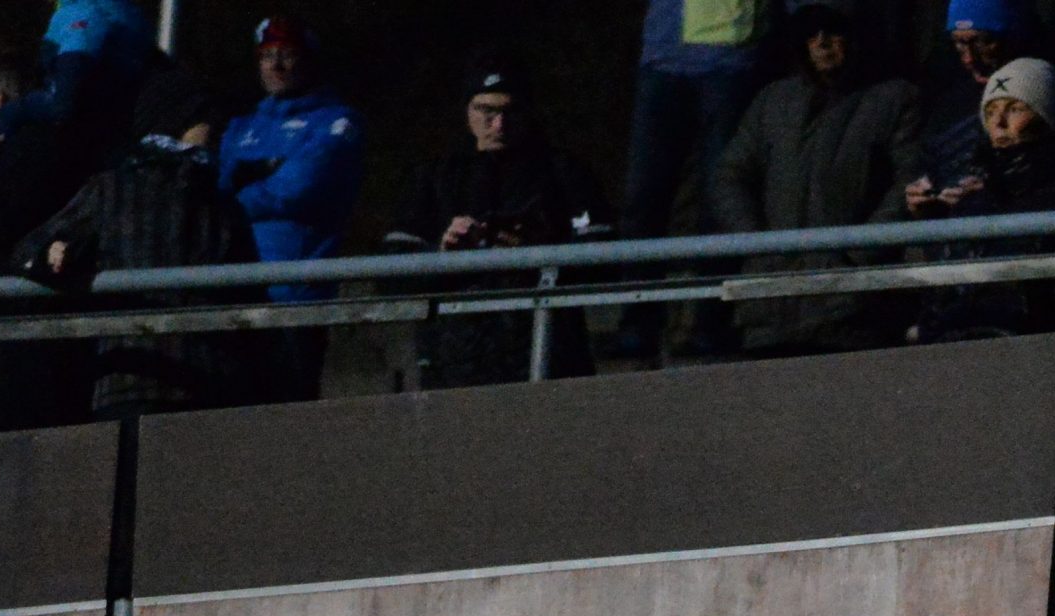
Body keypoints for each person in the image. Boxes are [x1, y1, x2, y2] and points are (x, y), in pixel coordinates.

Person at [15, 68, 259, 419]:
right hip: (186, 385)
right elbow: (31, 249)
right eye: (206, 118)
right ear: (178, 122)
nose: (218, 128)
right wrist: (54, 254)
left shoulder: (211, 203)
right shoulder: (213, 205)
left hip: (135, 382)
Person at [385, 54, 613, 388]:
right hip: (454, 363)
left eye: (511, 111)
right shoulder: (433, 177)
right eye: (486, 111)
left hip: (548, 359)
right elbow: (391, 273)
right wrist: (443, 253)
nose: (499, 125)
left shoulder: (563, 172)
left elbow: (606, 260)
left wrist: (538, 250)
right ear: (467, 110)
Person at [711, 2, 919, 357]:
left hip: (851, 314)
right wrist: (758, 246)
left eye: (833, 31)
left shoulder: (894, 98)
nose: (821, 42)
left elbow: (909, 182)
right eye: (810, 33)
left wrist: (855, 256)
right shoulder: (774, 101)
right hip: (770, 311)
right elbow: (729, 176)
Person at [912, 59, 1055, 338]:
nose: (999, 123)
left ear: (1045, 118)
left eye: (1015, 108)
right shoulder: (969, 206)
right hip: (958, 354)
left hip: (1029, 353)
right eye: (990, 111)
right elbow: (938, 300)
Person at [215, 15, 361, 399]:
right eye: (267, 56)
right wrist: (257, 180)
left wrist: (238, 194)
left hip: (294, 299)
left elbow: (297, 188)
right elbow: (212, 190)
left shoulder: (336, 122)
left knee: (287, 412)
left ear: (309, 60)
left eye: (287, 55)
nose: (276, 66)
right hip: (234, 295)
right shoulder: (240, 126)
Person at [615, 0, 767, 357]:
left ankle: (709, 321)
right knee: (642, 200)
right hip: (663, 57)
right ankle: (638, 321)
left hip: (730, 59)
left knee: (718, 202)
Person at [0, 45, 90, 432]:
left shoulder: (8, 160)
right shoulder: (72, 147)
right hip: (51, 345)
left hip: (7, 343)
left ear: (0, 101)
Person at [910, 0, 1055, 212]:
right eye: (959, 43)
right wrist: (922, 203)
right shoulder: (950, 108)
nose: (969, 58)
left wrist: (995, 201)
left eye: (984, 41)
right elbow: (926, 172)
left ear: (1015, 36)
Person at [0, 0, 154, 164]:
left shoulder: (83, 13)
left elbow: (68, 88)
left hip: (88, 119)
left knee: (8, 114)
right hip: (117, 116)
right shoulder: (125, 14)